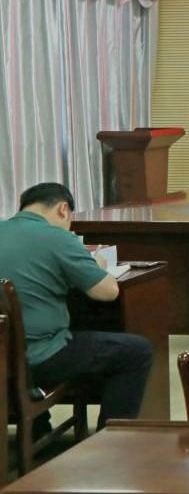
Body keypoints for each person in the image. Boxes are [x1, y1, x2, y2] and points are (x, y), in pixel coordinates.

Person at [0, 183, 152, 430]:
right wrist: (98, 267)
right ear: (63, 209)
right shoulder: (57, 237)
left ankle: (37, 429)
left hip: (3, 356)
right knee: (136, 351)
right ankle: (112, 441)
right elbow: (108, 292)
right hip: (37, 358)